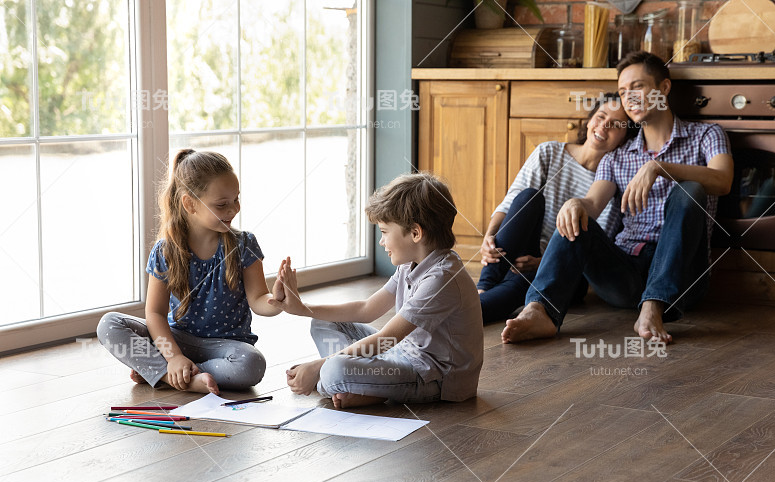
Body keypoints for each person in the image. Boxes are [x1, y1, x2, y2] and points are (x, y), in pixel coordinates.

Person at [502, 51, 734, 344]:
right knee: (577, 214)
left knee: (690, 189)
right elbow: (593, 204)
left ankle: (654, 306)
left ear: (663, 88)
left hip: (684, 278)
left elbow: (722, 180)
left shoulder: (706, 135)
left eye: (637, 87)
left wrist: (659, 168)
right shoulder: (616, 158)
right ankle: (540, 310)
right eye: (624, 92)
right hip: (624, 275)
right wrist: (577, 203)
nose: (629, 98)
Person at [267, 174, 483, 409]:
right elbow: (367, 309)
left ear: (415, 233)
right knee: (322, 323)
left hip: (434, 378)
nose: (381, 242)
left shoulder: (441, 278)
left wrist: (318, 367)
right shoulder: (410, 263)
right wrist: (302, 309)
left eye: (384, 232)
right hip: (401, 354)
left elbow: (385, 340)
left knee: (333, 371)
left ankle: (361, 386)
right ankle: (366, 387)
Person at [97, 149, 285, 394]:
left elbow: (259, 299)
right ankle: (171, 371)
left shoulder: (244, 244)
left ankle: (163, 373)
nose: (233, 209)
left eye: (236, 199)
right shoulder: (165, 251)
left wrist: (277, 301)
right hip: (177, 340)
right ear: (189, 203)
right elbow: (154, 313)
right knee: (109, 324)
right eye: (222, 204)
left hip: (228, 346)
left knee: (252, 364)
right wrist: (173, 356)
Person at [478, 94, 634, 323]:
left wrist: (545, 262)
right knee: (528, 197)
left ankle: (468, 310)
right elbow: (513, 200)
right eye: (600, 117)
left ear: (624, 138)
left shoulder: (613, 183)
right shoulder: (549, 152)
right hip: (523, 249)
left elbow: (596, 242)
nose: (603, 126)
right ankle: (484, 286)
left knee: (523, 281)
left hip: (569, 270)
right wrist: (490, 236)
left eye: (615, 125)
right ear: (589, 121)